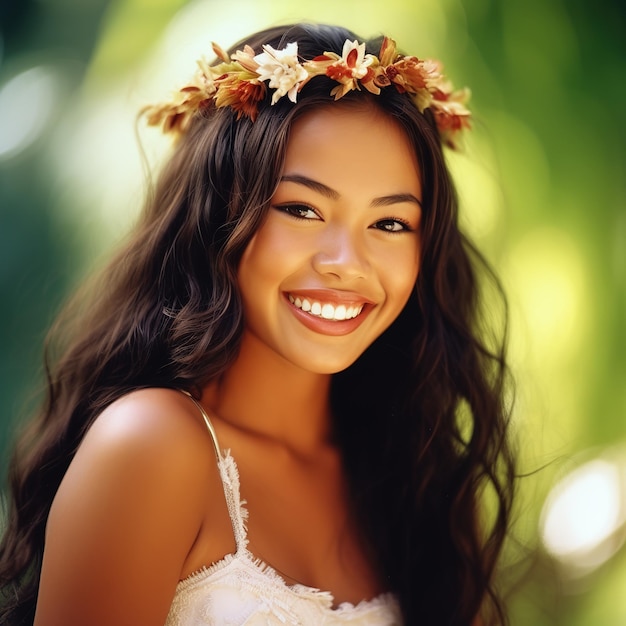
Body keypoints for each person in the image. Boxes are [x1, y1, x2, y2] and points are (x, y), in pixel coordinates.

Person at [0, 22, 516, 626]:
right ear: (219, 213)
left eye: (391, 223)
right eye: (301, 209)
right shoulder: (150, 446)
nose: (346, 265)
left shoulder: (419, 472)